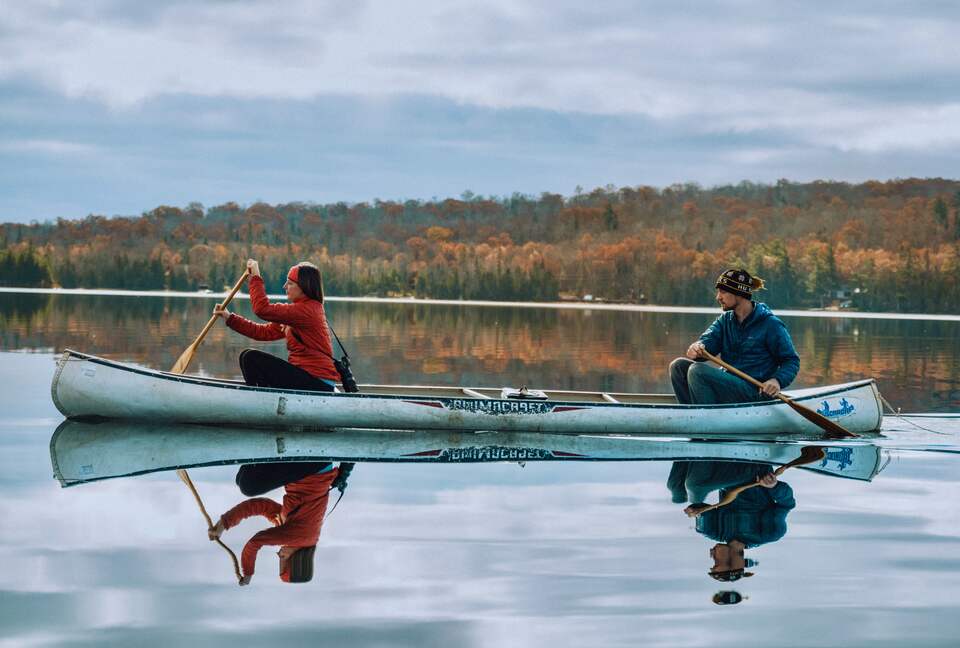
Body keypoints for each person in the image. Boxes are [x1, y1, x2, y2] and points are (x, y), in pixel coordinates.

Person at [207, 461, 354, 585]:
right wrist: (248, 573)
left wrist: (223, 524)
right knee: (248, 485)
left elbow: (258, 506)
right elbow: (255, 542)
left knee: (242, 480)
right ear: (297, 561)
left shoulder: (294, 529)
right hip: (311, 468)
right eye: (282, 558)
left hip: (308, 469)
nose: (279, 553)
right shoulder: (301, 537)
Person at [669, 268, 800, 405]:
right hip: (727, 385)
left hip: (755, 392)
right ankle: (692, 413)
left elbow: (791, 361)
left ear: (740, 294)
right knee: (678, 366)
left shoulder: (770, 324)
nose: (718, 297)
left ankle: (704, 417)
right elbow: (708, 343)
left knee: (697, 371)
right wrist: (697, 347)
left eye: (723, 292)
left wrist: (776, 380)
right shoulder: (725, 320)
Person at [214, 259, 340, 392]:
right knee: (247, 356)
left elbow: (262, 309)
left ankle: (260, 398)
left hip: (317, 382)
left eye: (290, 283)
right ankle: (261, 396)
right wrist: (229, 318)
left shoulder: (307, 311)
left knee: (251, 358)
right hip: (307, 377)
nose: (285, 286)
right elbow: (262, 332)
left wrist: (256, 278)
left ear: (304, 287)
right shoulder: (299, 312)